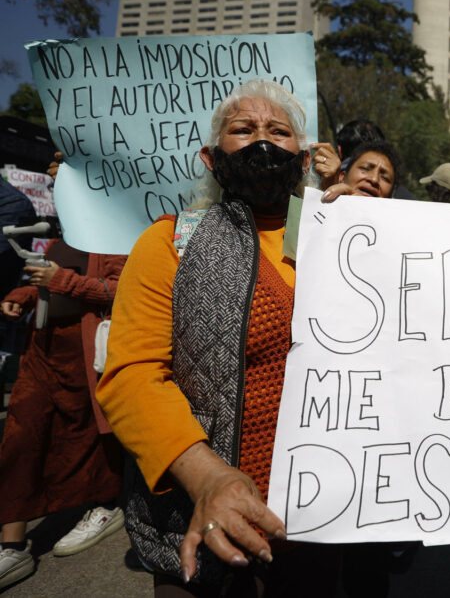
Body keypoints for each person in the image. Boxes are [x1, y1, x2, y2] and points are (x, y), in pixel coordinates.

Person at [96, 78, 346, 596]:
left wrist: (365, 228)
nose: (263, 141)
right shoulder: (170, 241)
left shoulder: (339, 237)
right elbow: (134, 376)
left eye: (279, 132)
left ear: (303, 160)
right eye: (243, 130)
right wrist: (207, 477)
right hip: (203, 524)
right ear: (211, 158)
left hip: (322, 519)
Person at [0, 236, 126, 591]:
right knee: (21, 437)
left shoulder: (112, 235)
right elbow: (43, 283)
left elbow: (120, 289)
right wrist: (22, 295)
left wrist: (62, 280)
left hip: (85, 354)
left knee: (89, 436)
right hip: (41, 351)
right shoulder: (62, 236)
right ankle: (12, 545)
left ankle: (105, 506)